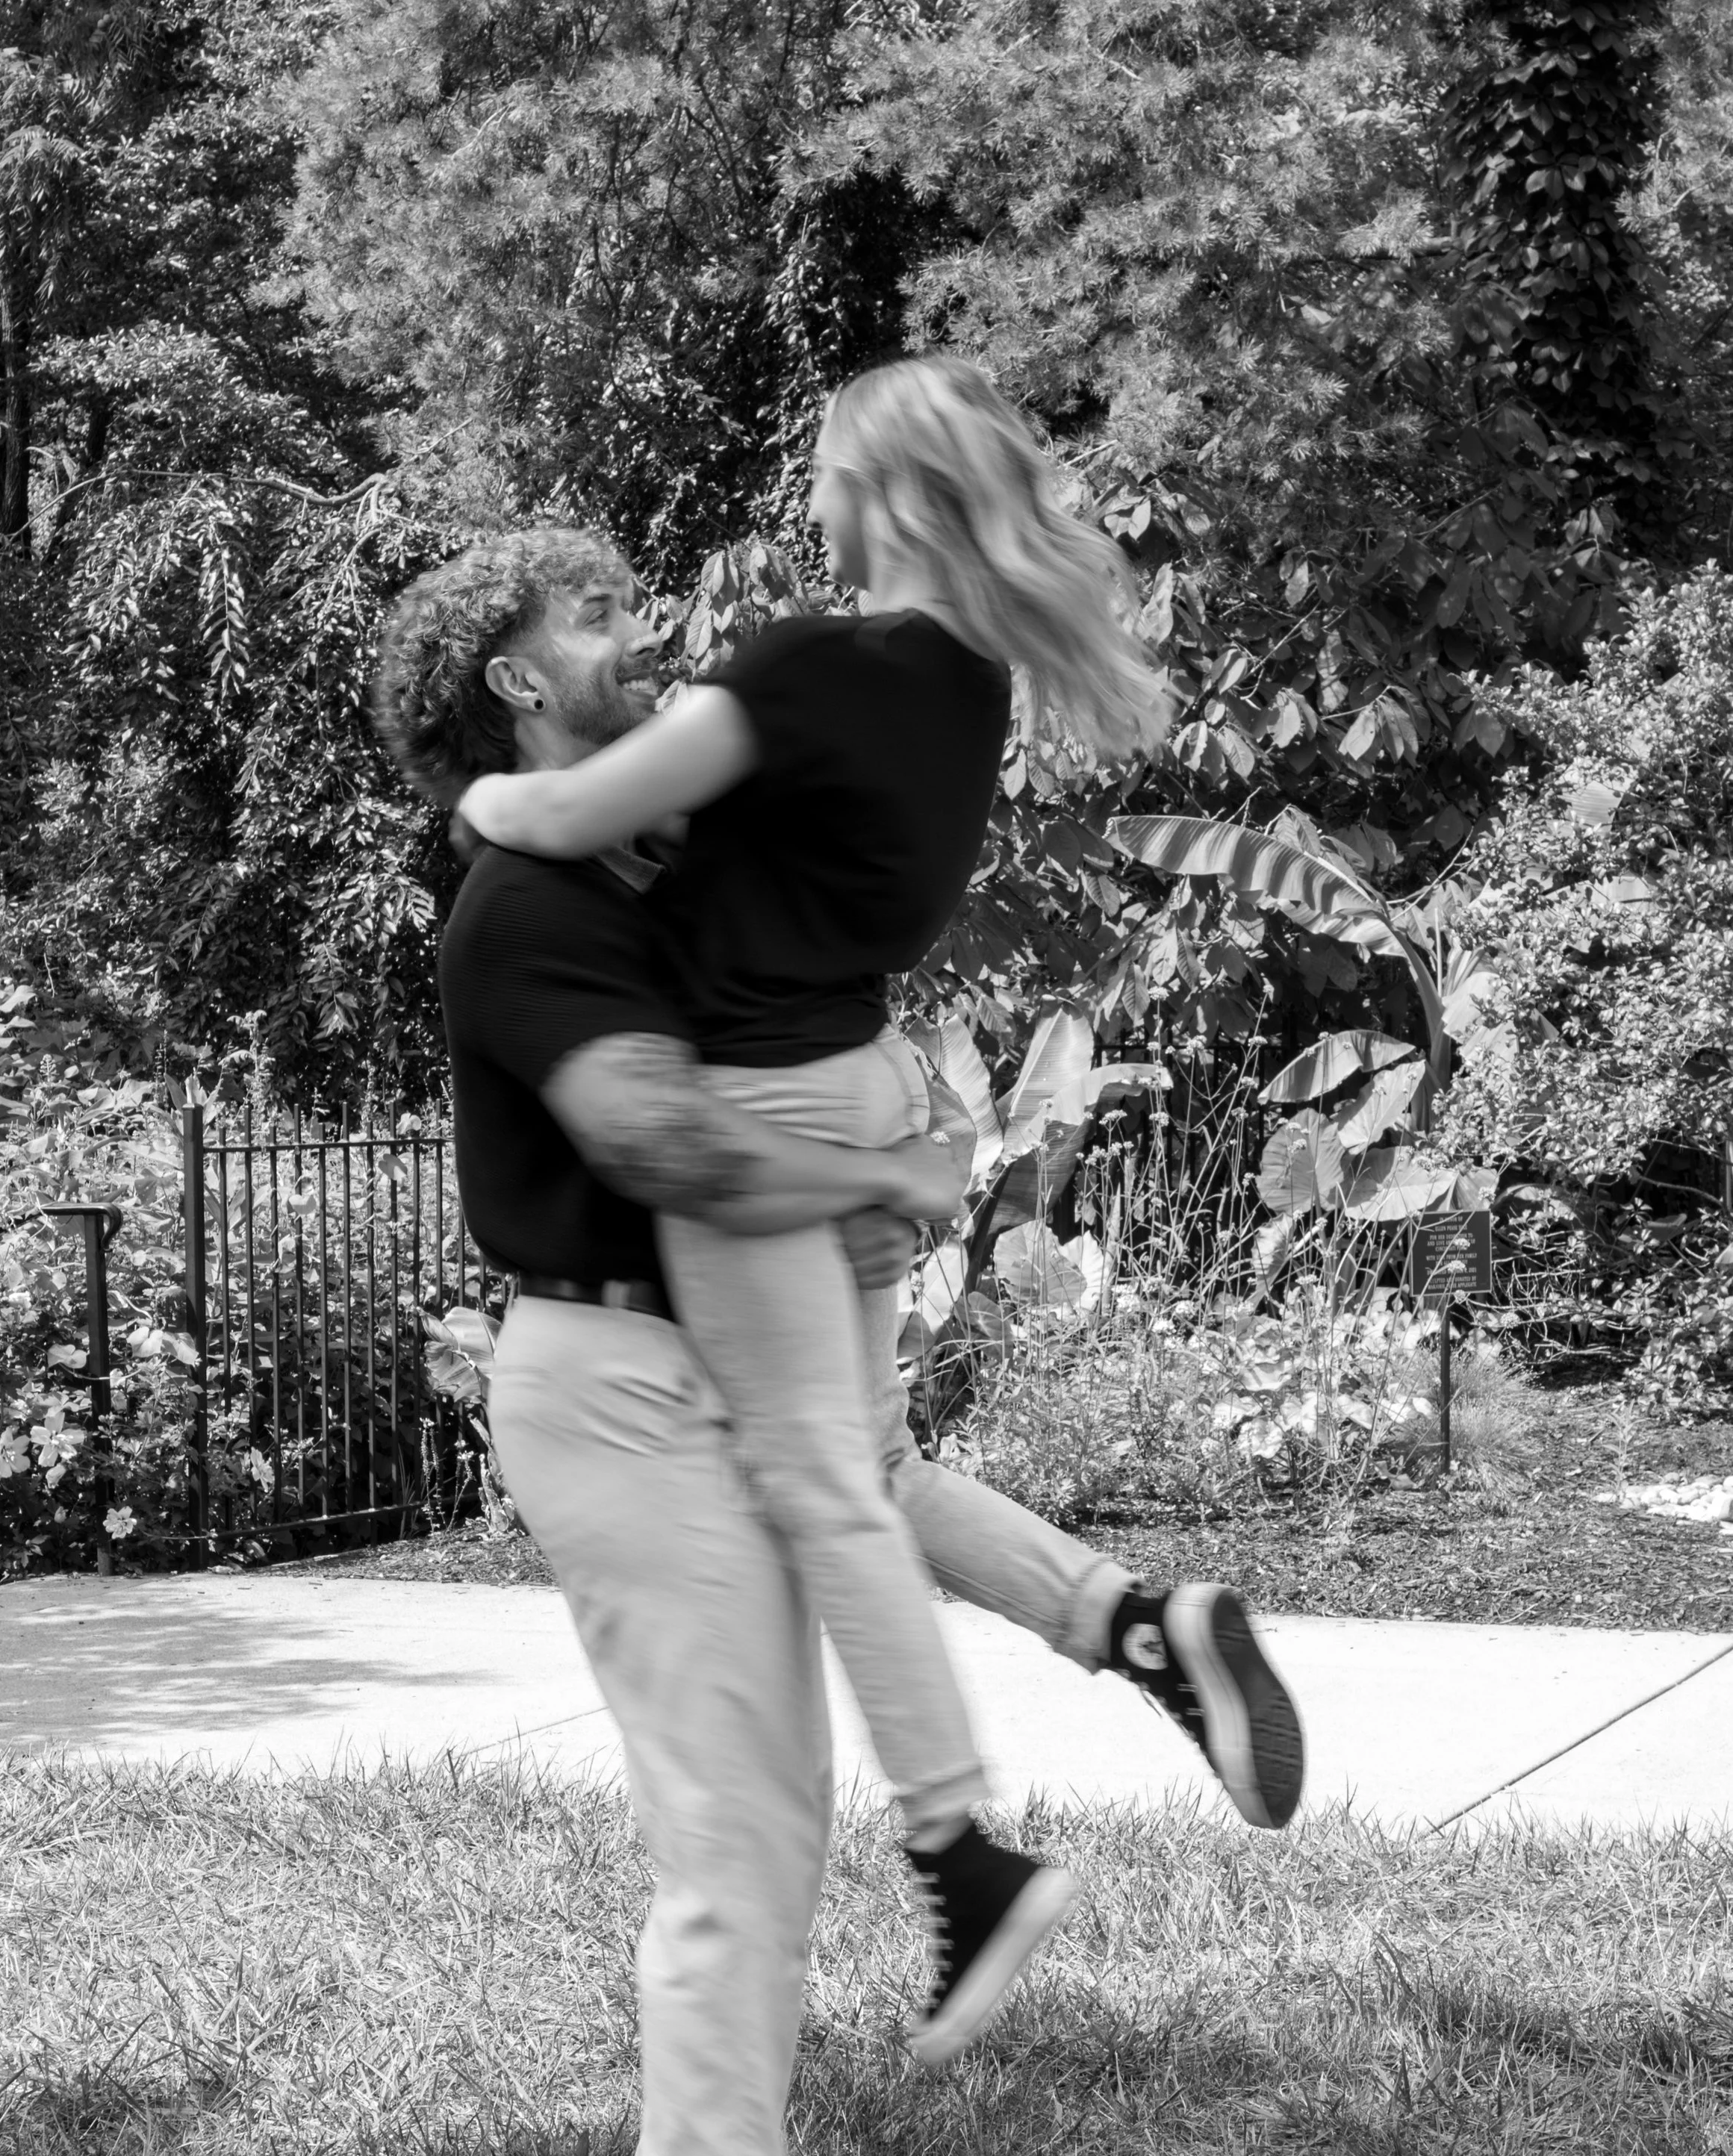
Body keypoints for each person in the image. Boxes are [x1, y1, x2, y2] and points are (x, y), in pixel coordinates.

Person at [370, 526, 1301, 2156]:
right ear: (515, 685)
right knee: (737, 1848)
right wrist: (891, 1176)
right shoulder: (522, 909)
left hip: (718, 1362)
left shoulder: (649, 861)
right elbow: (667, 1146)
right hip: (624, 1389)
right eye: (591, 618)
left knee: (772, 1814)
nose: (640, 630)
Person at [453, 360, 1301, 2053]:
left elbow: (558, 808)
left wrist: (474, 803)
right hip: (864, 1062)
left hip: (775, 1095)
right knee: (872, 1462)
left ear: (884, 493)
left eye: (830, 475)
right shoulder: (966, 680)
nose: (814, 503)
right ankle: (1138, 1624)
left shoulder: (805, 665)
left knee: (823, 1486)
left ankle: (961, 1851)